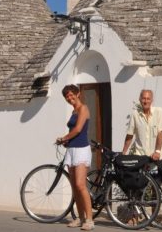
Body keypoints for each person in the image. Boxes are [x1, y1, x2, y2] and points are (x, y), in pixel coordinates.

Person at [56, 84, 94, 231]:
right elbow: (73, 130)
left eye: (71, 95)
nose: (69, 98)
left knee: (80, 185)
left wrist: (63, 137)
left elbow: (78, 129)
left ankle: (90, 220)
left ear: (78, 94)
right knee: (74, 188)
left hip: (81, 150)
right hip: (71, 150)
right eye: (67, 96)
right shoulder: (73, 111)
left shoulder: (83, 108)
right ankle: (81, 218)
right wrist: (66, 142)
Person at [122, 89, 162, 161]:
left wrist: (157, 151)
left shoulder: (159, 112)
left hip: (156, 158)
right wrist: (123, 153)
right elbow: (130, 135)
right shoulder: (135, 114)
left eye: (148, 99)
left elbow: (161, 133)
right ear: (140, 100)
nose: (145, 101)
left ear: (152, 100)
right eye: (143, 98)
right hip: (140, 158)